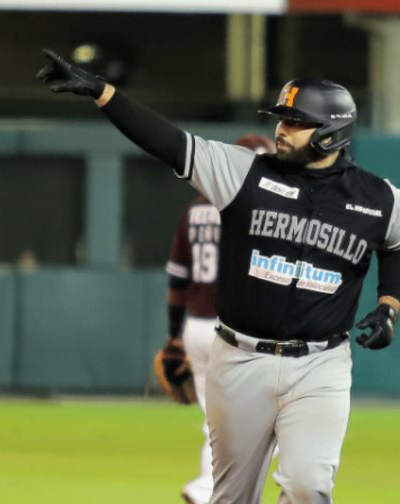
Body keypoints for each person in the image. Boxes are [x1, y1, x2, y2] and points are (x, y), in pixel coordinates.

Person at [37, 49, 400, 504]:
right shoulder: (242, 172)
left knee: (308, 486)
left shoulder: (380, 199)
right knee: (232, 498)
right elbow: (168, 141)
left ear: (332, 133)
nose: (282, 129)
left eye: (296, 122)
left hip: (320, 364)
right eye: (282, 118)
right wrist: (103, 93)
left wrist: (389, 305)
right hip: (240, 360)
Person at [163, 134, 275, 504]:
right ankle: (209, 488)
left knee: (218, 418)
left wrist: (173, 336)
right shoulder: (255, 208)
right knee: (270, 418)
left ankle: (208, 487)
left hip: (195, 326)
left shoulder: (195, 208)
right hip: (233, 329)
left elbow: (177, 278)